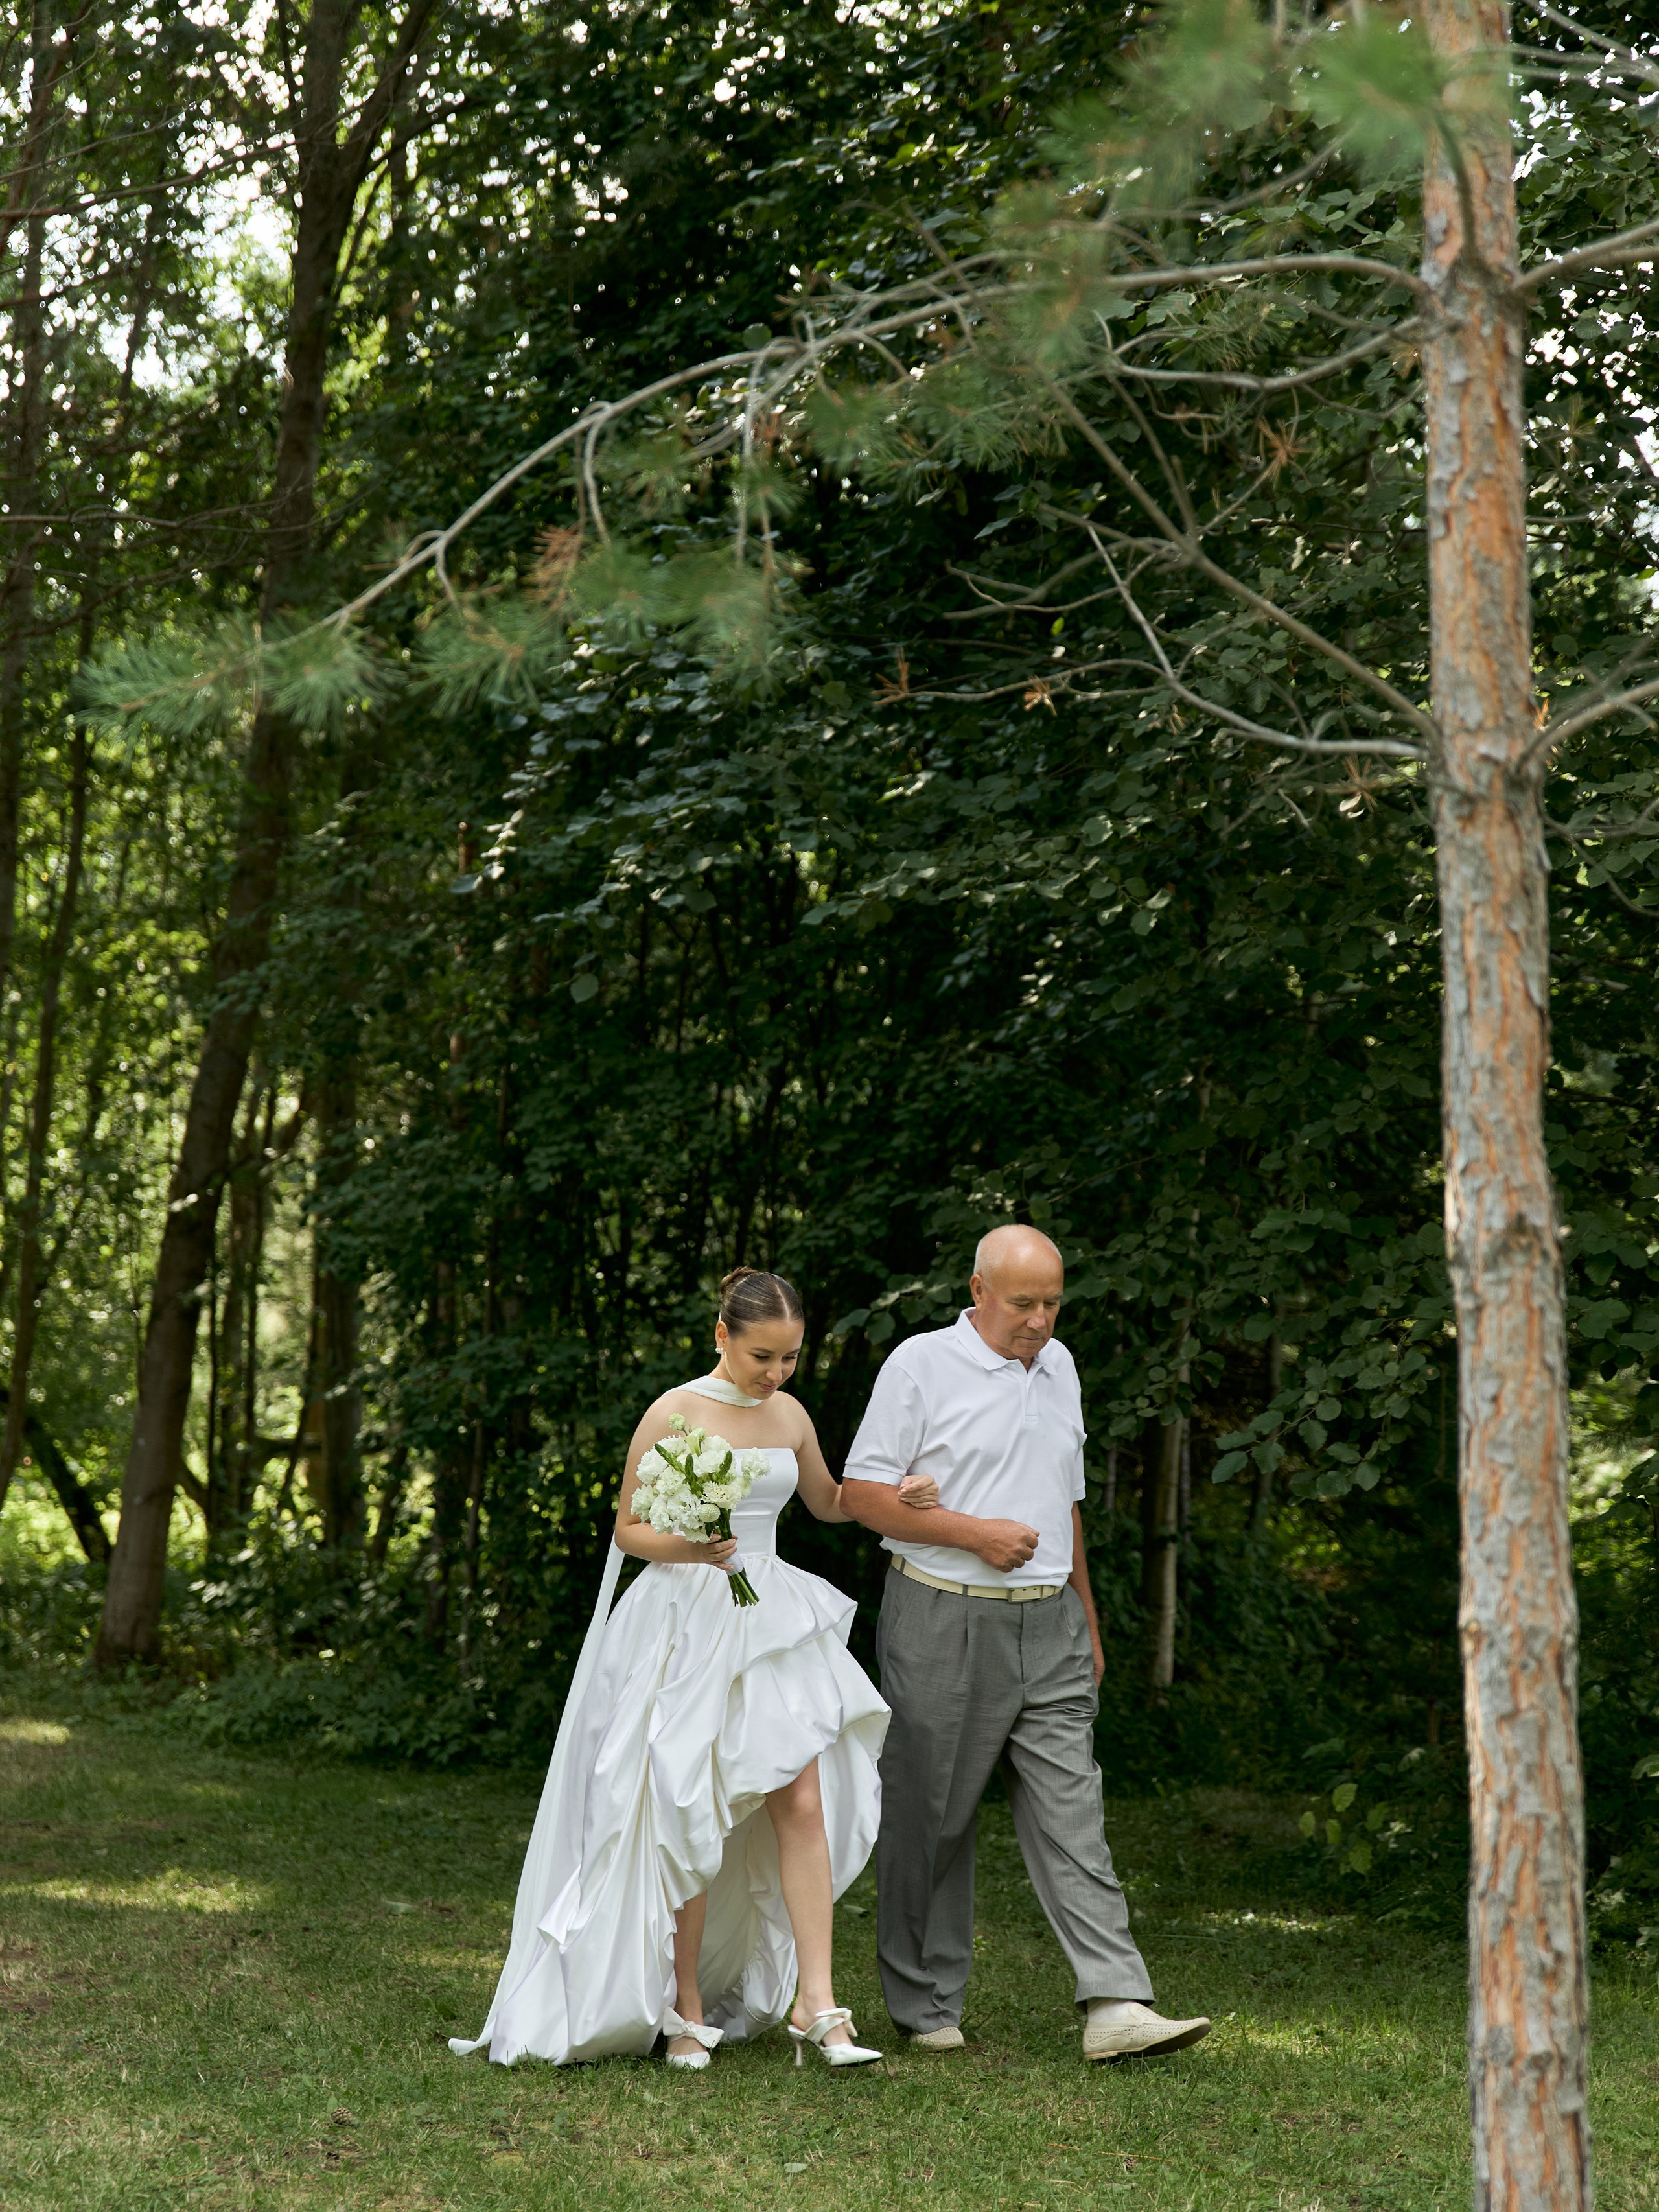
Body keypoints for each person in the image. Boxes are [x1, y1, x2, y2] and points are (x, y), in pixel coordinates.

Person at [452, 1266, 941, 2072]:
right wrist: (694, 1546)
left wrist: (900, 1494)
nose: (777, 1373)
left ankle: (817, 2003)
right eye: (762, 1355)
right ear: (722, 1335)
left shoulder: (789, 1411)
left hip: (770, 1617)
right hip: (684, 1618)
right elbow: (629, 1531)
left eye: (789, 1357)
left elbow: (824, 1500)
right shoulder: (673, 1410)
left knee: (802, 1795)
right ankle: (684, 2009)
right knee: (690, 1803)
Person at [841, 1224, 1212, 2064]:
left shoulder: (1063, 1366)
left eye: (1052, 1302)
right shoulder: (920, 1365)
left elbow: (1062, 1502)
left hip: (1049, 1623)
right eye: (1023, 1304)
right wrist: (972, 1533)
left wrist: (1084, 1611)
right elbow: (861, 1493)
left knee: (1074, 1807)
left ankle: (1117, 2001)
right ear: (979, 1291)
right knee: (931, 1815)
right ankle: (925, 2003)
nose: (1040, 1320)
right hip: (941, 1613)